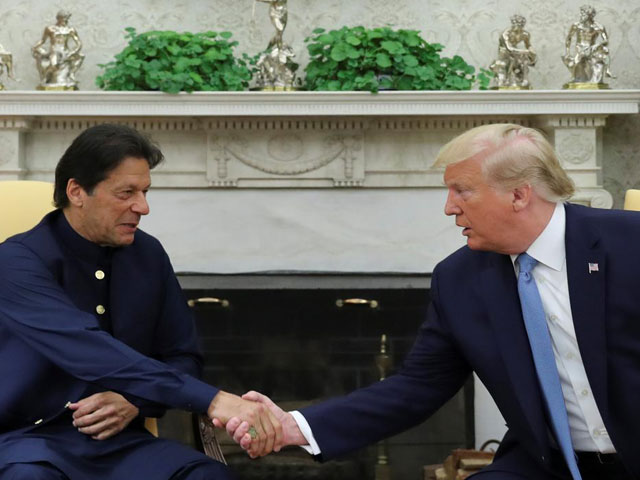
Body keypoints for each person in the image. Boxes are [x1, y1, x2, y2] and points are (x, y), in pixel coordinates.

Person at [221, 123, 640, 479]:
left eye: (463, 191)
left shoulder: (628, 244)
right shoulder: (460, 279)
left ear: (519, 195)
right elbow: (417, 387)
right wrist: (294, 425)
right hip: (547, 466)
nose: (448, 208)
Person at [0, 124, 282, 479]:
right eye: (126, 193)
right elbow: (88, 348)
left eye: (145, 191)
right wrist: (214, 399)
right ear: (76, 191)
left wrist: (135, 401)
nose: (143, 207)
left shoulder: (147, 254)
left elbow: (184, 356)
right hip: (24, 442)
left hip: (121, 446)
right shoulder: (15, 261)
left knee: (207, 476)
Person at [32, 10, 85, 90]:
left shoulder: (70, 30)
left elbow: (79, 43)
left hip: (66, 52)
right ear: (59, 18)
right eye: (64, 18)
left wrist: (73, 52)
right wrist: (35, 47)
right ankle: (46, 77)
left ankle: (71, 74)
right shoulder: (50, 29)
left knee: (81, 57)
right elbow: (42, 41)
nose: (66, 20)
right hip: (54, 51)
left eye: (67, 18)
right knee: (54, 65)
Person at [562, 5, 614, 85]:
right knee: (578, 59)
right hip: (580, 48)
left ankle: (607, 71)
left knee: (605, 51)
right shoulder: (577, 25)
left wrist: (597, 45)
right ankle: (575, 76)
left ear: (590, 15)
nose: (581, 16)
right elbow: (569, 38)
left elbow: (606, 40)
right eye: (581, 14)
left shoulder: (599, 27)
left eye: (583, 14)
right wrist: (567, 52)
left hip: (592, 48)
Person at [490, 14, 536, 89]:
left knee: (524, 59)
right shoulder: (506, 34)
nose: (518, 28)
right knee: (513, 59)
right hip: (504, 53)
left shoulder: (525, 34)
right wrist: (525, 51)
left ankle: (524, 80)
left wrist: (532, 52)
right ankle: (507, 79)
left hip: (516, 52)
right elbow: (509, 48)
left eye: (521, 26)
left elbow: (528, 45)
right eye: (517, 25)